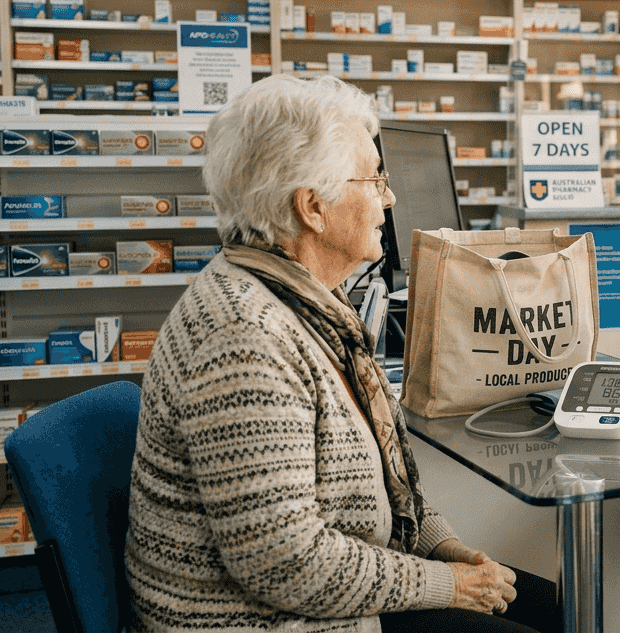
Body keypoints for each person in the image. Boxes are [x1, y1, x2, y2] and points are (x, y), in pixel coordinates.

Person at [125, 75, 558, 633]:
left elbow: (377, 482)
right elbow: (285, 563)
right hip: (272, 620)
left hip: (331, 600)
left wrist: (441, 545)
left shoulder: (309, 300)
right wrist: (445, 585)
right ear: (313, 207)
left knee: (558, 606)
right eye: (374, 178)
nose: (390, 197)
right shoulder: (243, 337)